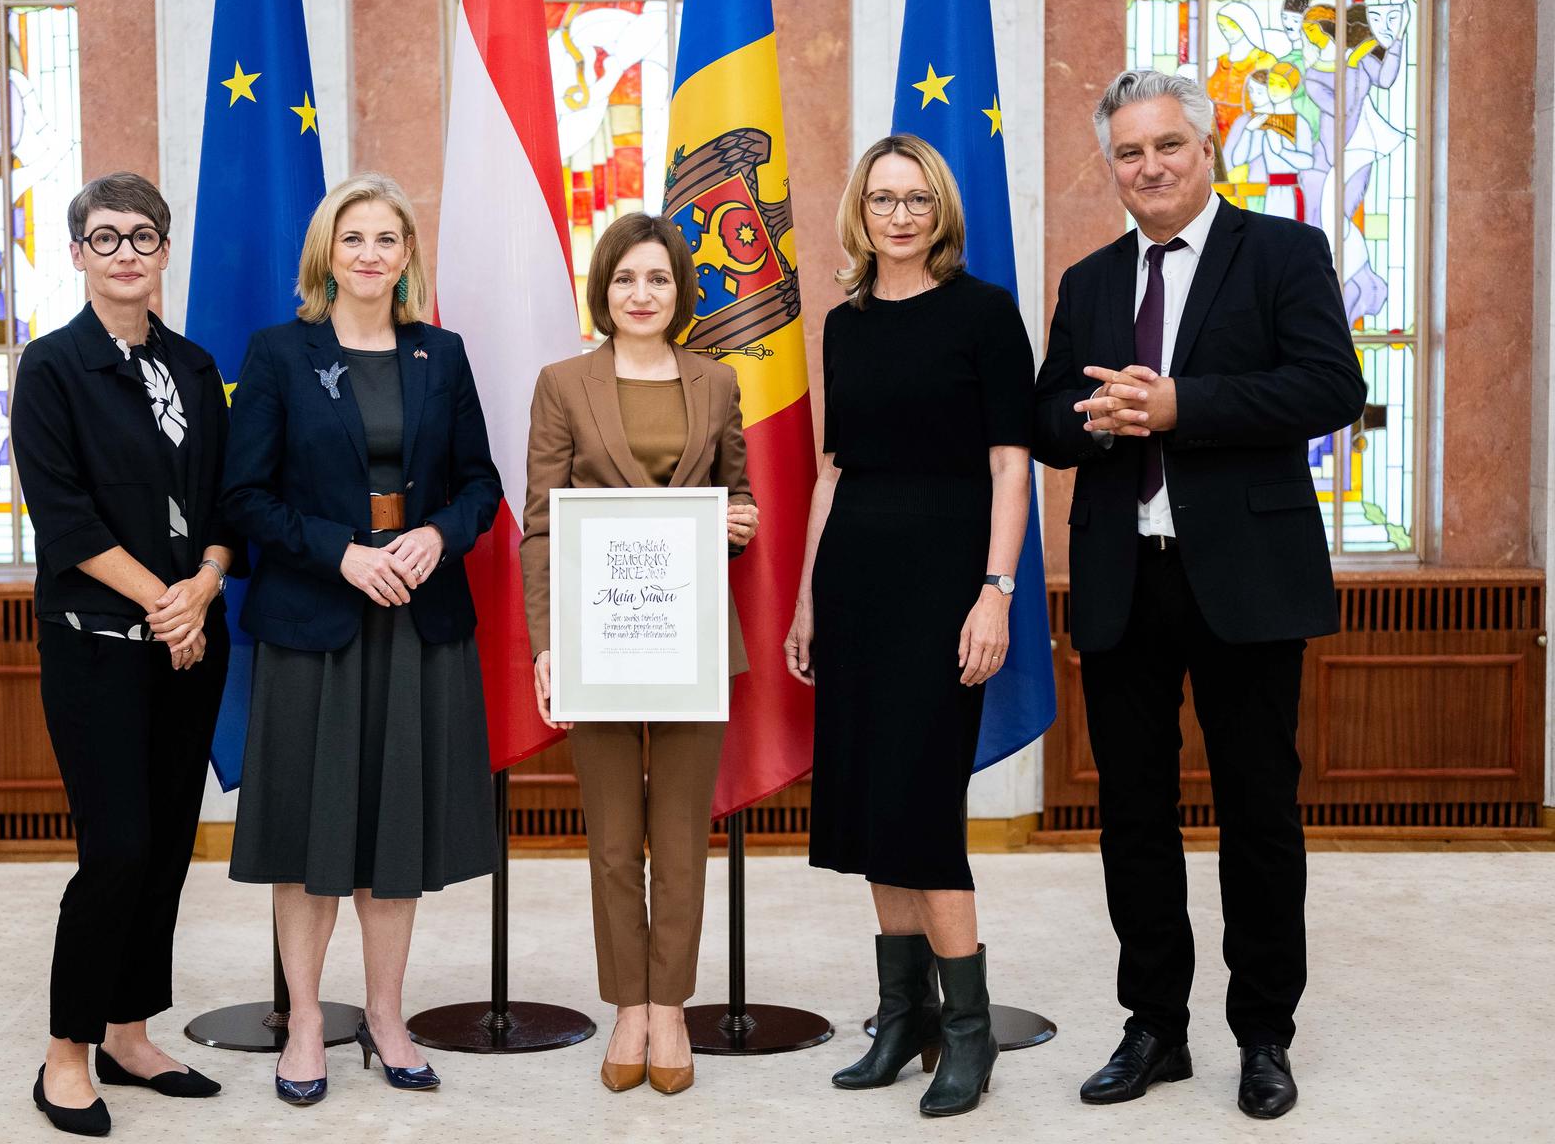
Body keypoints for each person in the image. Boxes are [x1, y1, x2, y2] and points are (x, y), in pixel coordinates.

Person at [1031, 70, 1365, 1120]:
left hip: (1248, 582)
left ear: (1207, 148)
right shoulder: (1089, 282)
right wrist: (1094, 417)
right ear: (1112, 167)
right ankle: (1154, 1028)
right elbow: (1046, 419)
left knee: (1259, 813)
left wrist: (1180, 406)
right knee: (1133, 816)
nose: (1150, 167)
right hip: (1125, 578)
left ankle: (1263, 1033)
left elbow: (1328, 386)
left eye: (1168, 146)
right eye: (1129, 153)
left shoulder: (1282, 253)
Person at [223, 173, 502, 1105]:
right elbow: (245, 498)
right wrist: (341, 555)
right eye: (354, 239)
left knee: (395, 834)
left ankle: (387, 1015)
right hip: (318, 625)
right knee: (309, 835)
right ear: (326, 255)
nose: (371, 254)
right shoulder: (278, 354)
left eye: (388, 239)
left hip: (418, 625)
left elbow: (481, 487)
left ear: (407, 256)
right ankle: (306, 1020)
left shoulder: (443, 354)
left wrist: (436, 535)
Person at [785, 135, 1032, 1119]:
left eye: (916, 197)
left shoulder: (984, 314)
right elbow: (831, 471)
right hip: (855, 583)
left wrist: (996, 590)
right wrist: (807, 597)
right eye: (883, 198)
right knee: (871, 807)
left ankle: (968, 1035)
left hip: (947, 585)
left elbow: (1012, 467)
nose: (899, 214)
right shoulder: (843, 326)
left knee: (924, 813)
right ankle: (902, 1020)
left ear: (940, 210)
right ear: (862, 210)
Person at [14, 172, 237, 1136]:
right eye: (105, 239)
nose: (126, 255)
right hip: (98, 647)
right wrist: (163, 600)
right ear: (76, 255)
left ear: (164, 250)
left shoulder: (192, 365)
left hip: (189, 645)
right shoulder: (52, 368)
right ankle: (67, 1051)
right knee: (115, 850)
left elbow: (225, 504)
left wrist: (204, 587)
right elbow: (64, 520)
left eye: (143, 237)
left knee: (166, 852)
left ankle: (129, 1031)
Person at [521, 212, 758, 1097]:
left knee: (682, 837)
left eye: (657, 279)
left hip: (691, 636)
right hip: (596, 639)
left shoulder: (717, 382)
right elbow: (540, 526)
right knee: (616, 839)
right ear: (604, 291)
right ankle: (628, 1004)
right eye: (625, 279)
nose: (642, 294)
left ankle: (672, 1006)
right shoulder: (562, 384)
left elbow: (737, 498)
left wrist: (741, 525)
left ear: (678, 290)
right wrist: (549, 647)